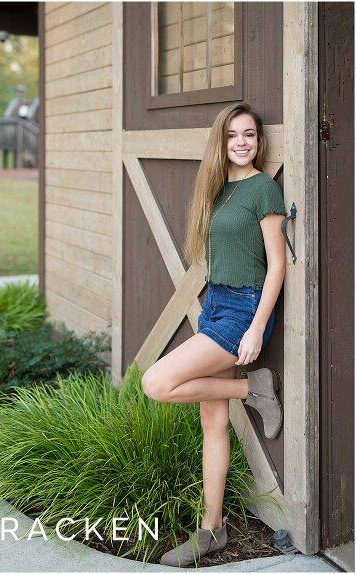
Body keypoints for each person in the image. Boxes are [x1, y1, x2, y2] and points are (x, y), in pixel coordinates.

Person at [140, 103, 287, 567]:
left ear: (259, 142)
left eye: (250, 135)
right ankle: (213, 529)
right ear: (220, 142)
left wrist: (258, 325)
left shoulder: (264, 189)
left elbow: (277, 265)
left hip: (242, 307)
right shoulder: (219, 189)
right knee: (213, 423)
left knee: (157, 383)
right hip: (216, 304)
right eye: (232, 135)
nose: (242, 142)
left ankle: (253, 386)